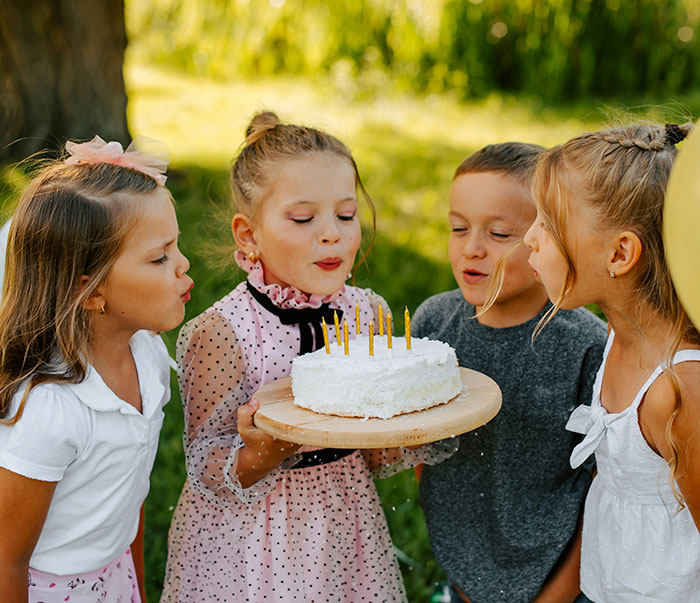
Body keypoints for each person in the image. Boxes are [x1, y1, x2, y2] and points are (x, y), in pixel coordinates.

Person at [161, 111, 454, 602]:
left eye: (345, 214)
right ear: (248, 235)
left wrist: (406, 417)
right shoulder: (224, 333)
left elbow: (376, 443)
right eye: (303, 219)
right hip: (252, 539)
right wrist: (266, 448)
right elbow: (205, 464)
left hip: (343, 518)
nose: (331, 234)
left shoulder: (369, 316)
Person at [0, 136, 193, 603]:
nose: (183, 265)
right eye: (159, 257)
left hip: (114, 578)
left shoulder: (148, 355)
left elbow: (131, 496)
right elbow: (7, 558)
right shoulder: (50, 411)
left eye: (176, 246)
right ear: (90, 292)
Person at [413, 142, 607, 603]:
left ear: (549, 237)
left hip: (561, 581)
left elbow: (604, 494)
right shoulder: (432, 327)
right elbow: (420, 447)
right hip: (463, 575)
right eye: (458, 228)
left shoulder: (586, 345)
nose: (471, 249)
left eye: (499, 233)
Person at [524, 123, 700, 602]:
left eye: (547, 224)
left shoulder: (680, 389)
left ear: (620, 254)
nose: (528, 239)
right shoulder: (616, 336)